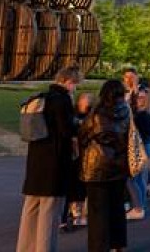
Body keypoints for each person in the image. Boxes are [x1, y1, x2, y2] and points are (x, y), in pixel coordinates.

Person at [17, 65, 80, 252]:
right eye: (75, 84)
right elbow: (66, 130)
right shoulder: (62, 100)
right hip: (54, 162)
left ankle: (24, 247)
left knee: (30, 208)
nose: (75, 88)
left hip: (36, 160)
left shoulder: (41, 98)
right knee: (49, 212)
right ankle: (44, 249)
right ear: (69, 81)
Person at [78, 79, 131, 252]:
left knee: (97, 212)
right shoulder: (126, 112)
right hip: (119, 166)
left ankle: (99, 247)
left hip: (96, 167)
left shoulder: (96, 113)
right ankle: (118, 244)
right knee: (117, 208)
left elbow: (83, 135)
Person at [66, 92, 93, 228]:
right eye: (83, 99)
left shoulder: (91, 115)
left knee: (82, 184)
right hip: (74, 154)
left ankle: (82, 212)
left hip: (85, 154)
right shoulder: (73, 114)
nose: (85, 102)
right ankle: (74, 210)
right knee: (73, 182)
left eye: (87, 99)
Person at [125, 88, 150, 220]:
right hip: (144, 147)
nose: (139, 100)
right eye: (138, 97)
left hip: (141, 147)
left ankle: (138, 207)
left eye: (142, 98)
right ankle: (141, 204)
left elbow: (136, 132)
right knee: (139, 178)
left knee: (133, 178)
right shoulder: (141, 114)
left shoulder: (143, 115)